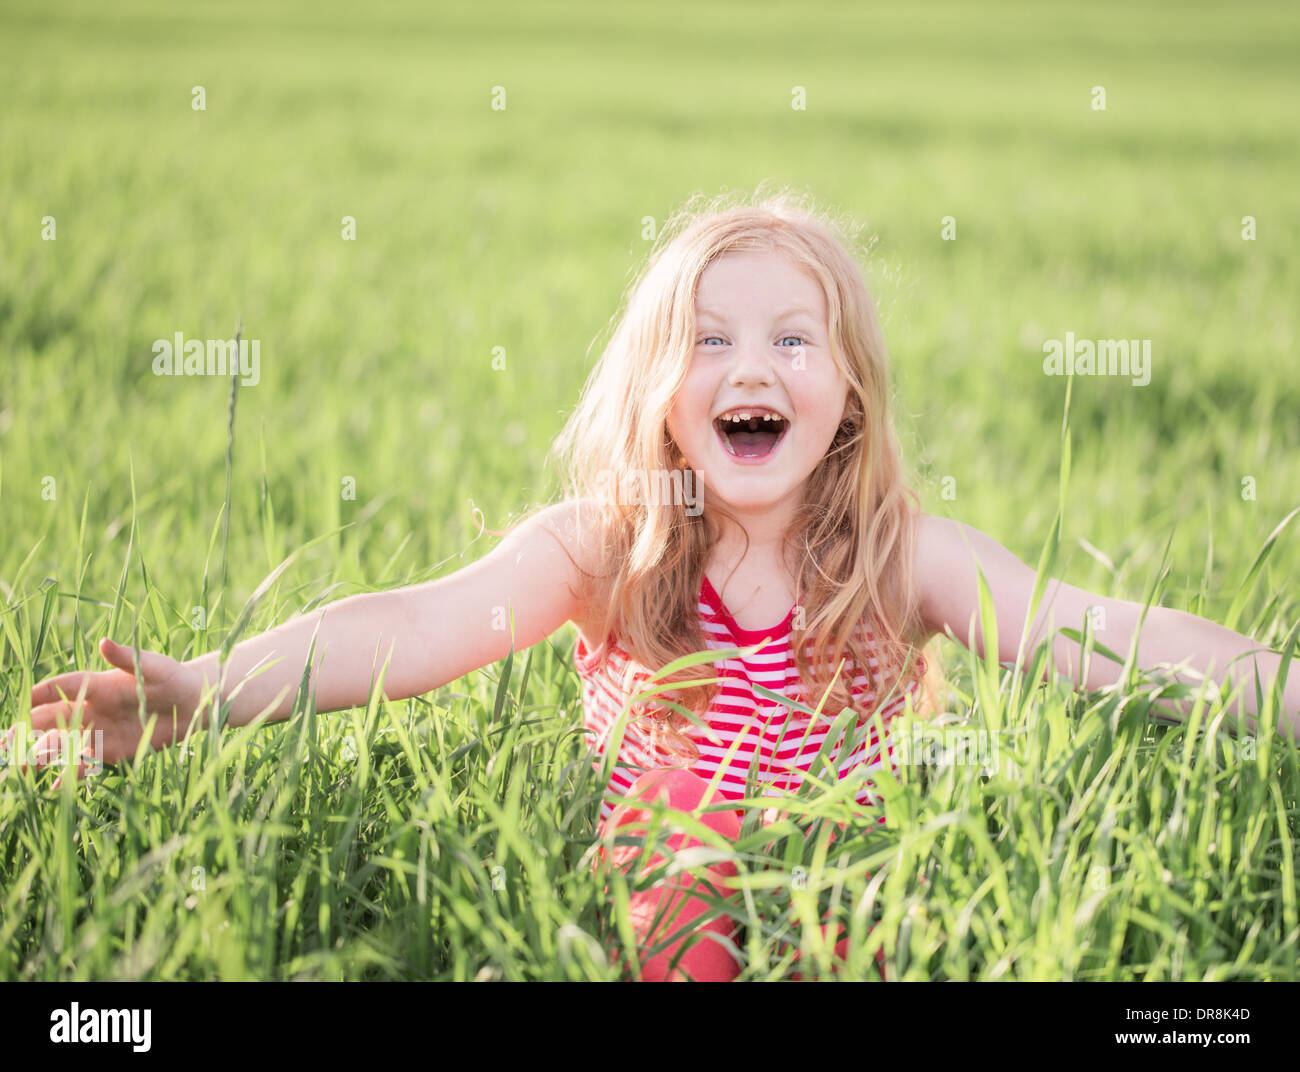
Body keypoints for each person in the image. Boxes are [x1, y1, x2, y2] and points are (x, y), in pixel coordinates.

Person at [6, 186, 1297, 982]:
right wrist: (212, 693)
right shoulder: (606, 548)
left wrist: (1280, 693)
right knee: (682, 839)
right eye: (712, 339)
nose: (755, 367)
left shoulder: (904, 557)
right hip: (663, 886)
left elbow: (1100, 633)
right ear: (657, 393)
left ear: (846, 397)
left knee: (857, 892)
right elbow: (411, 624)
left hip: (853, 882)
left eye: (796, 340)